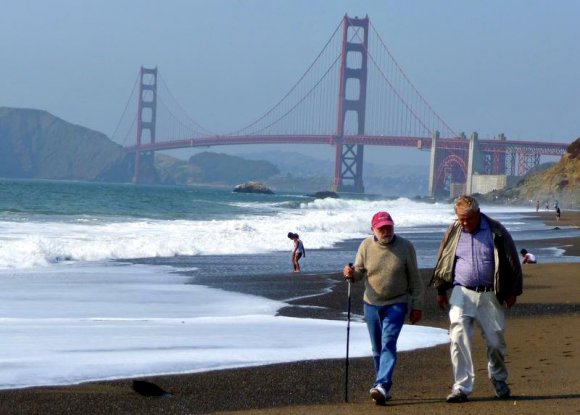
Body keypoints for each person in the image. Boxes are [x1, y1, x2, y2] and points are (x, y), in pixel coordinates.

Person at [430, 195, 522, 403]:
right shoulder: (454, 231)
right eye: (461, 218)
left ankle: (498, 378)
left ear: (477, 214)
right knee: (457, 338)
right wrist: (440, 290)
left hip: (491, 293)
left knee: (495, 341)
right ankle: (461, 387)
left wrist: (513, 291)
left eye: (468, 219)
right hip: (461, 292)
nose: (464, 223)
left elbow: (511, 259)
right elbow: (443, 260)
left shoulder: (496, 230)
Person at [343, 211, 424, 406]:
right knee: (377, 348)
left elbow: (415, 279)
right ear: (373, 230)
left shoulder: (405, 247)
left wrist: (417, 305)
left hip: (397, 303)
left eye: (389, 227)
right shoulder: (366, 245)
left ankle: (381, 384)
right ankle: (384, 389)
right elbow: (360, 271)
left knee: (388, 343)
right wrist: (350, 273)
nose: (386, 231)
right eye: (382, 228)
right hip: (371, 303)